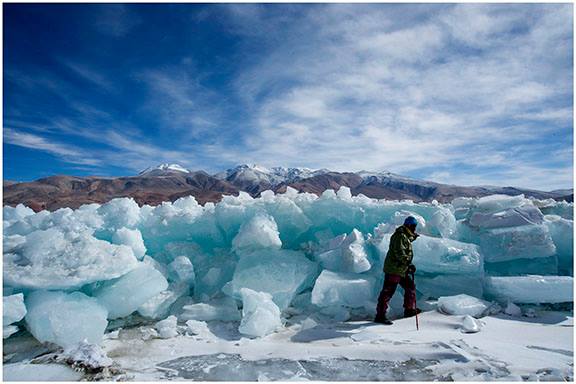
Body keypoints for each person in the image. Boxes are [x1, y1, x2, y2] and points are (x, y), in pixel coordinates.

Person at [374, 216, 422, 325]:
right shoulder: (399, 236)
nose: (414, 228)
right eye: (413, 226)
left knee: (410, 287)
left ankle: (409, 310)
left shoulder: (404, 235)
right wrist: (408, 264)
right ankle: (380, 316)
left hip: (401, 268)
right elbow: (399, 252)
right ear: (409, 225)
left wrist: (413, 237)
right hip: (394, 269)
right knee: (388, 291)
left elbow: (407, 241)